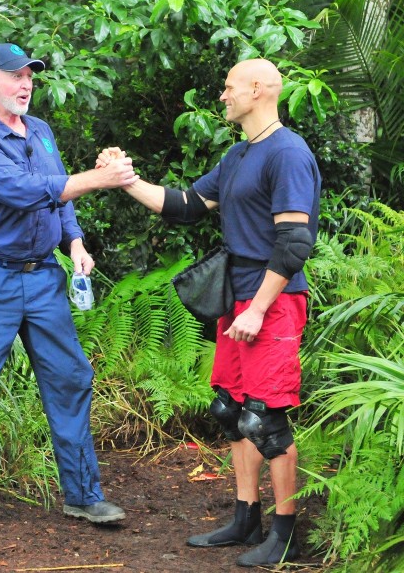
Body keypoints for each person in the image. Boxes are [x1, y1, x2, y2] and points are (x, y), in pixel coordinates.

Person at [105, 58, 320, 567]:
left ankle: (284, 533)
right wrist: (124, 179)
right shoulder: (240, 154)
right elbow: (184, 204)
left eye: (228, 88)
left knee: (265, 420)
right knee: (232, 410)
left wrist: (260, 308)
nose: (222, 95)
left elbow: (294, 244)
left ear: (257, 89)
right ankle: (246, 517)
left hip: (273, 301)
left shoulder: (288, 153)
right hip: (236, 298)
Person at [0, 42, 136, 532]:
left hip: (44, 278)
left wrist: (74, 241)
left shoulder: (42, 131)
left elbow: (57, 194)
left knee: (70, 378)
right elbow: (27, 192)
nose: (25, 84)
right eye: (15, 76)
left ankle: (83, 496)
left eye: (30, 76)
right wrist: (100, 177)